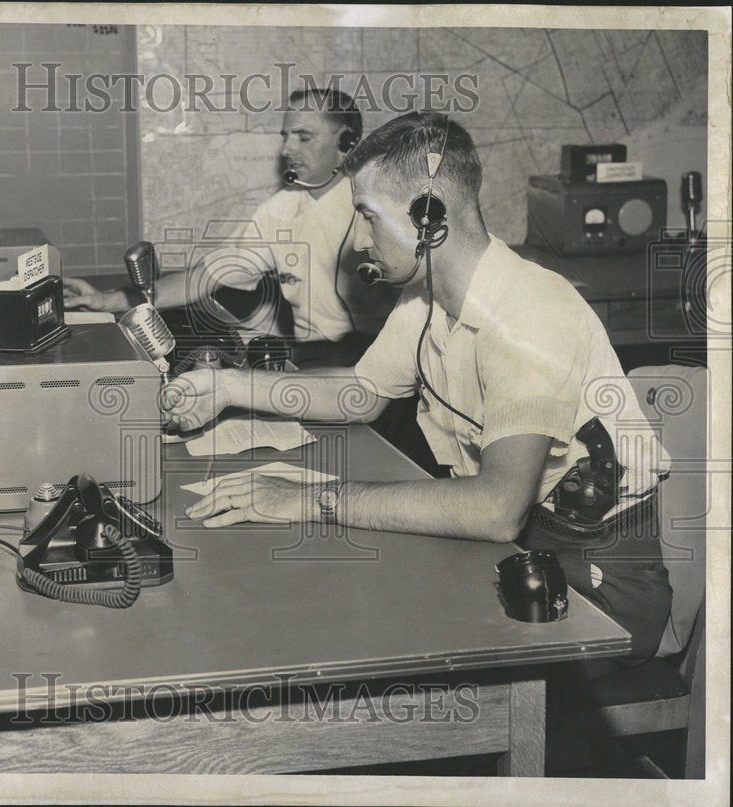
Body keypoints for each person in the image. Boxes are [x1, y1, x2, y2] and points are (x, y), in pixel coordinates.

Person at [161, 111, 673, 670]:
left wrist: (307, 500)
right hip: (523, 549)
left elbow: (495, 510)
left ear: (429, 217)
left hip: (594, 584)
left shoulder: (531, 316)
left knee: (378, 661)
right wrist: (228, 386)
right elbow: (359, 393)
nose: (358, 241)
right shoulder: (425, 301)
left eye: (367, 216)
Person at [62, 88, 399, 364]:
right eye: (286, 136)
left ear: (348, 143)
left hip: (380, 358)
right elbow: (204, 277)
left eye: (304, 137)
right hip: (315, 362)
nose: (286, 149)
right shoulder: (281, 210)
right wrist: (108, 300)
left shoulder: (380, 205)